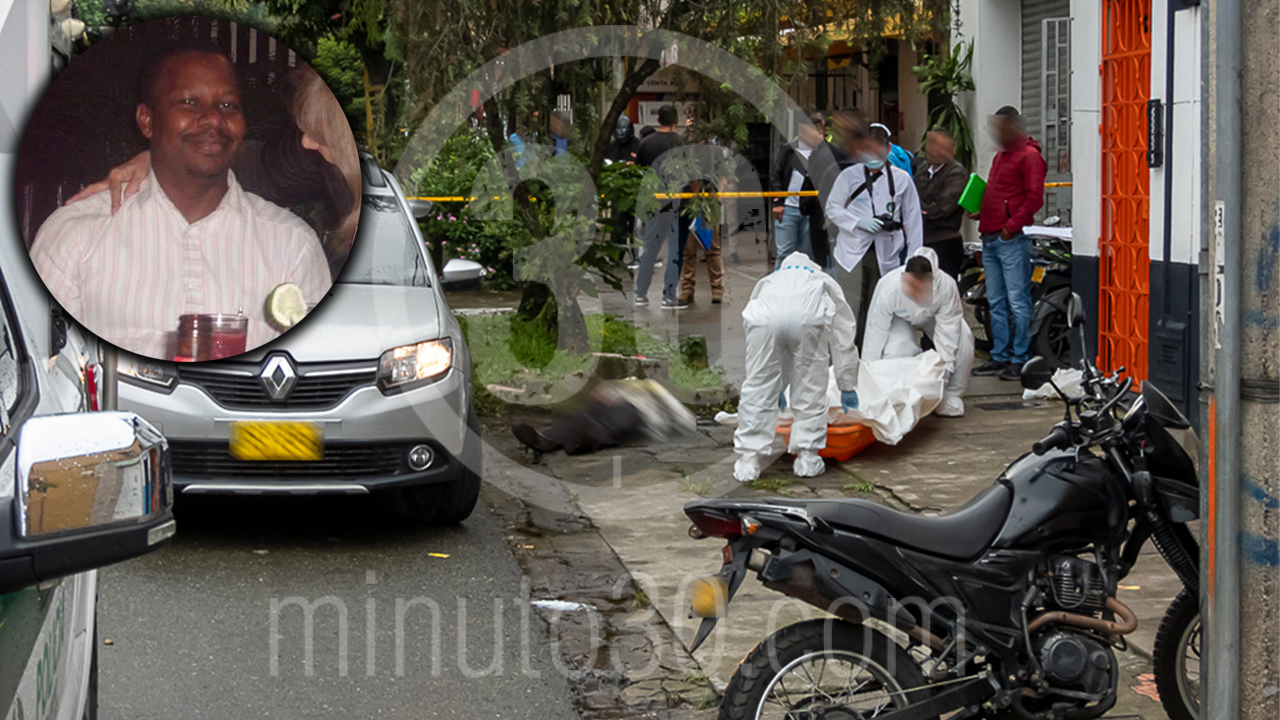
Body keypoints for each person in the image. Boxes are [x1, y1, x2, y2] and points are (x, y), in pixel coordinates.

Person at [31, 43, 330, 359]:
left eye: (228, 105)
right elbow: (39, 369)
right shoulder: (77, 237)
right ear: (147, 121)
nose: (213, 119)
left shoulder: (292, 247)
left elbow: (319, 370)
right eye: (189, 102)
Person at [69, 65, 361, 278]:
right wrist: (158, 158)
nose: (307, 141)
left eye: (323, 133)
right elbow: (257, 167)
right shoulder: (321, 160)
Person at [735, 251, 861, 482]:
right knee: (810, 384)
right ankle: (807, 457)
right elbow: (843, 335)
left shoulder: (769, 281)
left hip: (764, 319)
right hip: (808, 317)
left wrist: (777, 387)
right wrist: (847, 383)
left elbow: (765, 343)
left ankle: (747, 459)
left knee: (758, 385)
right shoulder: (821, 280)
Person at [825, 114, 923, 347]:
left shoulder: (901, 180)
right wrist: (858, 222)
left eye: (878, 148)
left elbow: (912, 219)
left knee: (879, 306)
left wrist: (914, 256)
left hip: (886, 252)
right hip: (852, 253)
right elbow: (832, 208)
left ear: (888, 149)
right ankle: (849, 353)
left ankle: (873, 355)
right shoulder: (848, 176)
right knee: (851, 307)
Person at [970, 106, 1047, 381]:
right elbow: (1001, 193)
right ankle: (1000, 355)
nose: (995, 133)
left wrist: (1009, 228)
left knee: (1017, 301)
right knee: (996, 301)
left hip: (1008, 239)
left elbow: (1033, 198)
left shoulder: (1029, 156)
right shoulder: (1001, 156)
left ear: (1013, 126)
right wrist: (983, 213)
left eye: (1000, 127)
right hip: (991, 236)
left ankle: (1019, 357)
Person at [863, 247, 974, 417]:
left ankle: (949, 394)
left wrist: (947, 367)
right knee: (898, 349)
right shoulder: (888, 286)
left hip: (933, 315)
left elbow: (949, 326)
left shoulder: (946, 286)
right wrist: (868, 375)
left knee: (964, 340)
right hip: (900, 318)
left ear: (933, 279)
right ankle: (896, 393)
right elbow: (876, 330)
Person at [633, 105, 692, 309]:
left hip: (654, 203)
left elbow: (640, 173)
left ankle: (640, 293)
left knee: (650, 249)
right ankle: (668, 296)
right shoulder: (681, 144)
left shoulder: (646, 143)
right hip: (678, 204)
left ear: (658, 120)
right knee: (675, 251)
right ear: (676, 120)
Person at [769, 113, 823, 269]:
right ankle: (777, 287)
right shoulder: (790, 150)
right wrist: (778, 202)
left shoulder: (821, 154)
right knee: (785, 252)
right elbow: (776, 176)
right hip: (788, 210)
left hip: (809, 211)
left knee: (807, 255)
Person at [913, 129, 969, 279]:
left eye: (940, 146)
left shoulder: (957, 172)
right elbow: (911, 199)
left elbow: (943, 208)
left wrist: (920, 211)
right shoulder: (922, 170)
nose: (935, 150)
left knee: (942, 292)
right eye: (932, 144)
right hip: (920, 240)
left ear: (952, 149)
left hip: (944, 242)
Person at [606, 115, 641, 263]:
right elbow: (607, 164)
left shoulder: (637, 145)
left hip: (634, 193)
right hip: (618, 193)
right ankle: (616, 257)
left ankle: (636, 255)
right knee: (617, 227)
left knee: (635, 227)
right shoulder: (612, 146)